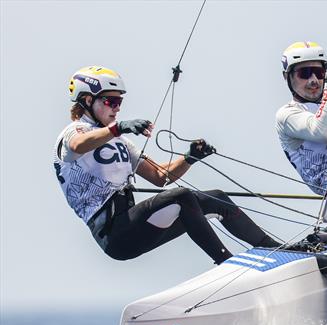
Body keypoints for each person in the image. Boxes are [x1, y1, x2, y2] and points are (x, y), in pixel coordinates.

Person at [55, 66, 279, 265]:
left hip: (134, 223)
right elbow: (79, 145)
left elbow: (159, 176)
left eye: (119, 102)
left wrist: (189, 158)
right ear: (87, 101)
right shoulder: (73, 132)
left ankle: (276, 249)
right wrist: (118, 128)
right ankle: (227, 263)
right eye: (110, 102)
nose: (117, 108)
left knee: (216, 199)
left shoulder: (120, 142)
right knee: (180, 196)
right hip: (114, 235)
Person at [275, 42, 327, 196]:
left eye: (319, 73)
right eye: (304, 73)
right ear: (287, 76)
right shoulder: (286, 115)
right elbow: (323, 132)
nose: (313, 80)